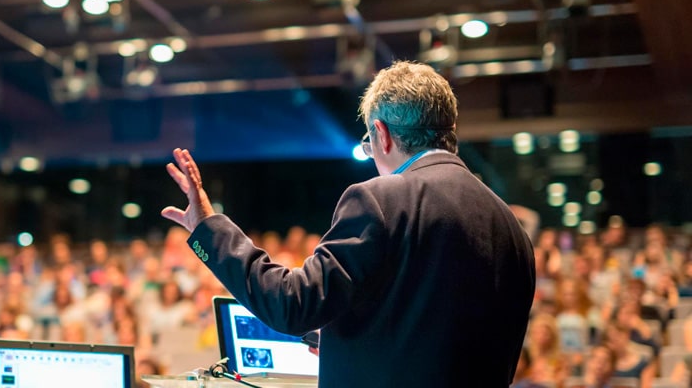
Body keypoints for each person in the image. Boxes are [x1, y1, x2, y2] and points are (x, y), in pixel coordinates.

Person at [160, 61, 535, 387]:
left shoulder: (381, 198)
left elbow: (292, 305)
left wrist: (208, 227)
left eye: (369, 145)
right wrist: (347, 340)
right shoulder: (510, 226)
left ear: (382, 134)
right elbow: (447, 343)